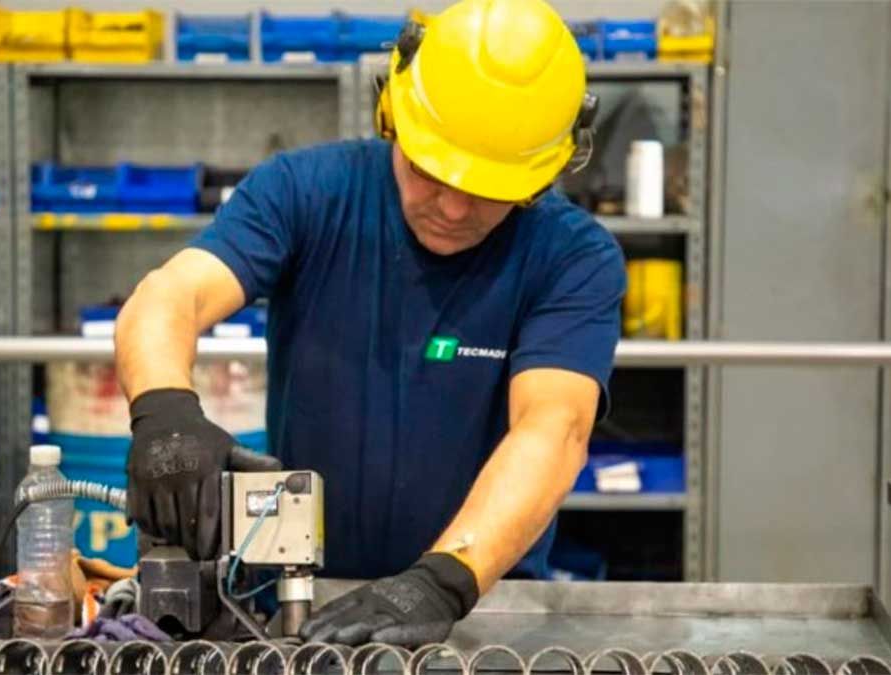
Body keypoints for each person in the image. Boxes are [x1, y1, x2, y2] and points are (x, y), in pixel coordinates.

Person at [115, 0, 625, 647]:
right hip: (297, 601)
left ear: (551, 170)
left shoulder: (573, 256)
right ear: (390, 116)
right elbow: (171, 295)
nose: (452, 206)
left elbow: (555, 425)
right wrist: (165, 412)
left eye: (489, 189)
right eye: (429, 170)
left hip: (479, 607)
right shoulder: (305, 192)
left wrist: (444, 580)